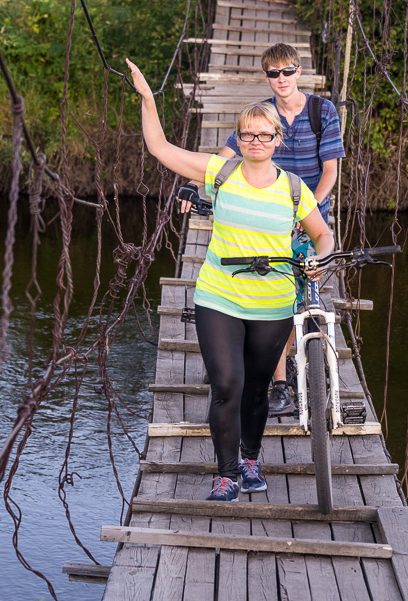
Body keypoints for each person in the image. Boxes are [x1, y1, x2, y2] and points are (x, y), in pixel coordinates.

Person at [126, 58, 335, 502]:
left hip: (273, 302)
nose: (256, 142)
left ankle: (251, 458)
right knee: (227, 384)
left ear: (277, 140)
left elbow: (323, 236)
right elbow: (160, 148)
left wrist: (318, 260)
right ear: (237, 139)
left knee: (257, 388)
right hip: (218, 296)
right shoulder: (219, 173)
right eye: (247, 135)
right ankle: (225, 475)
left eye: (265, 135)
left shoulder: (294, 189)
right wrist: (148, 98)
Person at [217, 43, 346, 414]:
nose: (281, 79)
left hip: (308, 214)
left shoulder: (323, 112)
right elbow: (226, 157)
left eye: (288, 71)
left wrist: (308, 209)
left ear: (299, 72)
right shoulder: (263, 116)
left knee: (302, 292)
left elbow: (331, 170)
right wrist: (198, 183)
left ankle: (286, 358)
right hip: (268, 214)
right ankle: (278, 381)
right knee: (276, 299)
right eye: (274, 73)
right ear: (265, 76)